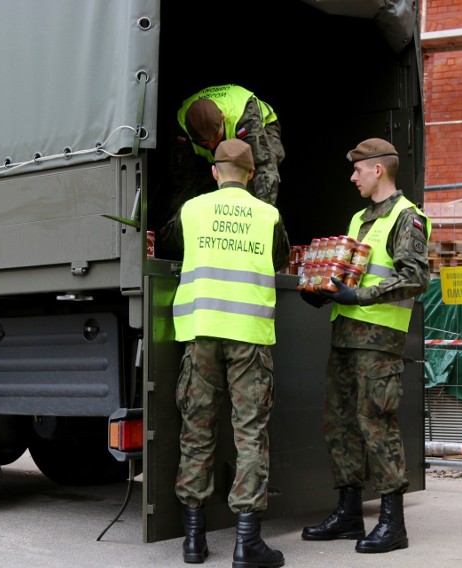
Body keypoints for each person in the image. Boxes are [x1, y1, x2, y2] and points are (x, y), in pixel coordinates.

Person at [299, 138, 430, 554]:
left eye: (358, 169)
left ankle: (393, 522)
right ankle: (349, 511)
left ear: (378, 169)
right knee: (340, 423)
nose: (353, 176)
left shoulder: (408, 217)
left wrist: (360, 297)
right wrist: (325, 290)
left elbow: (415, 277)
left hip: (378, 339)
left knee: (377, 422)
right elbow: (353, 271)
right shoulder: (360, 218)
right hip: (346, 334)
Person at [169, 138, 289, 567]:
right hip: (249, 335)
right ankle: (246, 543)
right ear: (253, 175)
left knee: (197, 431)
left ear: (215, 171)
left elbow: (174, 247)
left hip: (201, 332)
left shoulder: (192, 209)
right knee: (250, 432)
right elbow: (280, 260)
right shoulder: (268, 214)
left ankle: (193, 541)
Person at [168, 84, 284, 214]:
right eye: (204, 143)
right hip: (206, 162)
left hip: (262, 129)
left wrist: (264, 214)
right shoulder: (181, 124)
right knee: (187, 181)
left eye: (215, 138)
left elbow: (264, 167)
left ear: (223, 117)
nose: (212, 146)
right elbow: (181, 179)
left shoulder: (244, 114)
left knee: (256, 174)